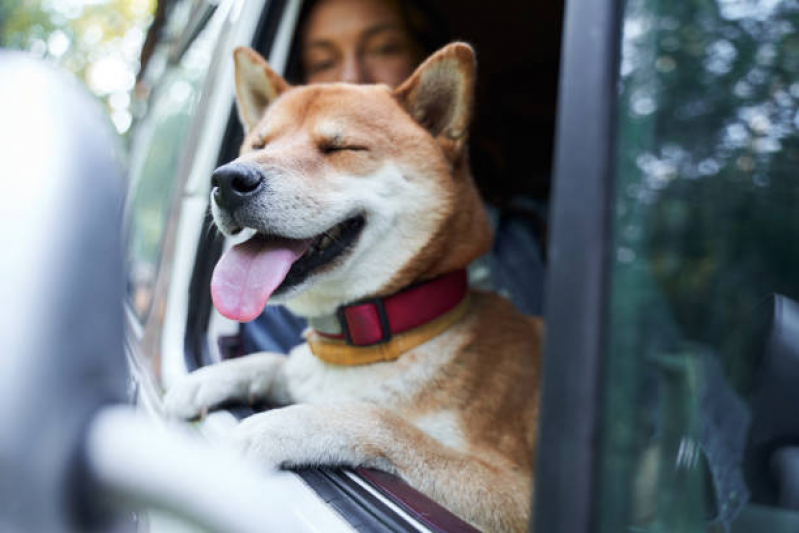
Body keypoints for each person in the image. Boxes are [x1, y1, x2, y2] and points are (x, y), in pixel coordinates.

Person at [241, 0, 546, 354]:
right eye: (323, 62)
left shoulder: (536, 228)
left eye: (385, 48)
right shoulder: (268, 273)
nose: (351, 76)